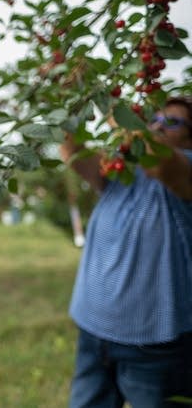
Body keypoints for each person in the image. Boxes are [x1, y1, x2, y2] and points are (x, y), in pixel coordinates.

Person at [60, 96, 192, 408]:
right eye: (154, 118)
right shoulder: (122, 172)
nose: (158, 125)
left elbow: (160, 161)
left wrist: (113, 107)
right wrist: (71, 97)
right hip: (93, 331)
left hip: (154, 344)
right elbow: (72, 151)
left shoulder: (183, 171)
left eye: (172, 121)